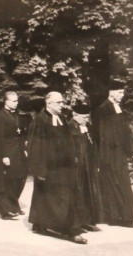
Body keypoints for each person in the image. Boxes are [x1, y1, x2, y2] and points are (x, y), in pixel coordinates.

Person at [28, 91, 87, 244]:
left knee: (64, 196)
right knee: (52, 198)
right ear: (49, 103)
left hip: (64, 167)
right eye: (59, 103)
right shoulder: (39, 120)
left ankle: (48, 224)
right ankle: (67, 229)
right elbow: (35, 146)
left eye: (62, 102)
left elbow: (68, 140)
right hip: (49, 168)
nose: (62, 105)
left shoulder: (61, 118)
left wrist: (73, 156)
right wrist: (39, 170)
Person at [93, 81, 133, 227]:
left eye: (122, 92)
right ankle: (116, 216)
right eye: (119, 92)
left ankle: (127, 215)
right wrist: (104, 157)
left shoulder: (118, 108)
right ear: (111, 93)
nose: (122, 95)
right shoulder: (103, 109)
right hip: (109, 154)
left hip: (120, 153)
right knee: (112, 183)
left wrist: (130, 150)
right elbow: (103, 135)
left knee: (123, 182)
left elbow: (124, 132)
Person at [68, 103, 103, 232]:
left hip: (88, 164)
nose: (86, 120)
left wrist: (96, 162)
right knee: (78, 191)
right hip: (77, 165)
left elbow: (93, 146)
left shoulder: (87, 126)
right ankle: (77, 222)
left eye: (87, 117)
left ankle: (88, 221)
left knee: (89, 192)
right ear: (75, 115)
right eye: (84, 117)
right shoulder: (69, 126)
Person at [0, 91, 28, 216]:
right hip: (9, 152)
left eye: (17, 101)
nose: (16, 103)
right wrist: (4, 155)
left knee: (22, 177)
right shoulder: (0, 117)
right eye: (14, 101)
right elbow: (0, 138)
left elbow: (20, 133)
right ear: (6, 102)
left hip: (18, 151)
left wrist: (24, 148)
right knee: (11, 179)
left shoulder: (16, 114)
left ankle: (14, 202)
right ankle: (10, 207)